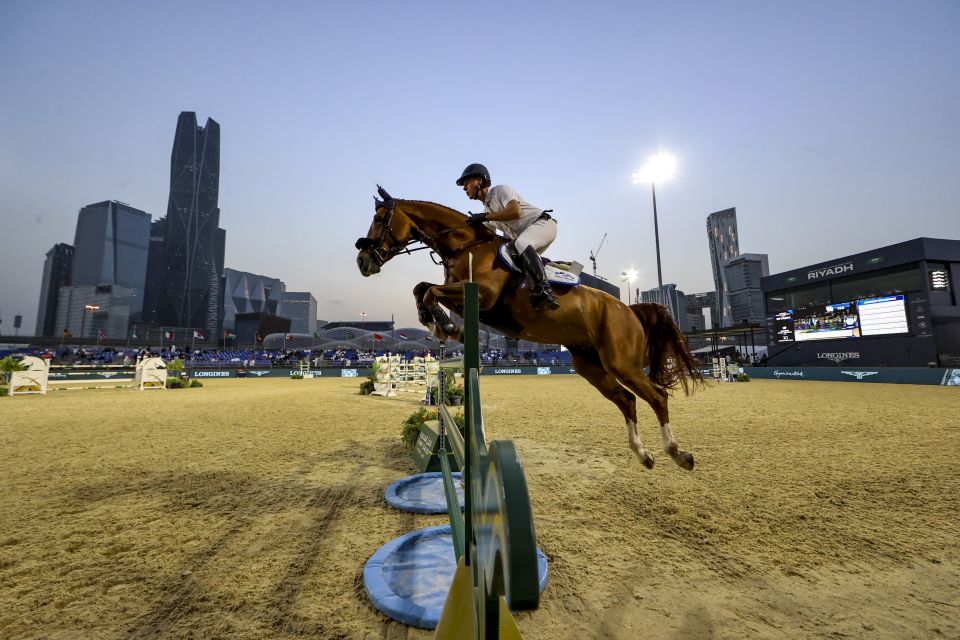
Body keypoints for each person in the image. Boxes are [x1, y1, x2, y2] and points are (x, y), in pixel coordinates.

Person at [456, 163, 560, 310]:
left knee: (520, 243)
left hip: (544, 225)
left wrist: (484, 217)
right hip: (528, 239)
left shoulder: (500, 190)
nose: (464, 188)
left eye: (466, 183)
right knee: (508, 263)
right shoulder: (486, 209)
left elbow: (515, 211)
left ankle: (545, 291)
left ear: (479, 180)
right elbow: (487, 236)